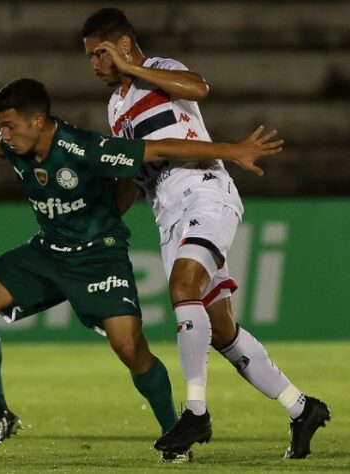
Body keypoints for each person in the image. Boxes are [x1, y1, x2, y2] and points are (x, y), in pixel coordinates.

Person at [0, 78, 281, 460]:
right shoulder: (11, 144)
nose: (4, 134)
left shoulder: (83, 148)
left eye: (9, 126)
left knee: (130, 347)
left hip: (99, 257)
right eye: (0, 126)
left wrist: (232, 150)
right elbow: (2, 144)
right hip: (48, 251)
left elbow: (157, 149)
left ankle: (173, 436)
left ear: (37, 121)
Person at [80, 7, 330, 460]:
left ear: (121, 44)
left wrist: (132, 66)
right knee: (222, 331)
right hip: (167, 213)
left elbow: (199, 88)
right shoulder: (115, 108)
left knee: (182, 288)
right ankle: (302, 407)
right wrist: (102, 221)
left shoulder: (159, 69)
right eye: (90, 59)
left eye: (98, 55)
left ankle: (195, 413)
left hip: (205, 192)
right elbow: (133, 173)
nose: (93, 66)